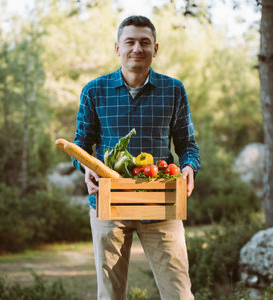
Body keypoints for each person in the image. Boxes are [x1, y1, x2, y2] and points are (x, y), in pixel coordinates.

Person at [73, 15, 201, 300]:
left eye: (145, 42)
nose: (137, 49)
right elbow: (81, 143)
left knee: (179, 293)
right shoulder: (94, 91)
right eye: (129, 42)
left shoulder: (173, 90)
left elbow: (187, 144)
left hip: (161, 201)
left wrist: (190, 166)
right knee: (110, 295)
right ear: (117, 48)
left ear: (156, 48)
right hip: (108, 203)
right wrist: (85, 168)